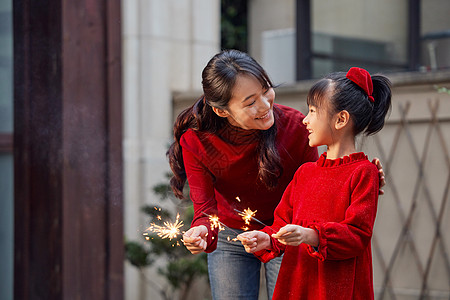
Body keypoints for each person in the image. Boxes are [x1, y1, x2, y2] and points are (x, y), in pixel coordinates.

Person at [167, 50, 385, 300]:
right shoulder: (196, 142)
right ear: (222, 111)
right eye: (250, 102)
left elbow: (322, 188)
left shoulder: (296, 128)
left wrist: (362, 174)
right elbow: (206, 212)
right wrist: (201, 231)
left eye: (266, 89)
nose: (265, 105)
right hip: (237, 233)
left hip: (290, 234)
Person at [238, 67, 392, 300]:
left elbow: (357, 235)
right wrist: (267, 238)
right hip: (297, 283)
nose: (305, 119)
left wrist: (311, 235)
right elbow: (282, 223)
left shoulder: (364, 172)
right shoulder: (304, 173)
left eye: (312, 111)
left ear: (341, 119)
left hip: (337, 288)